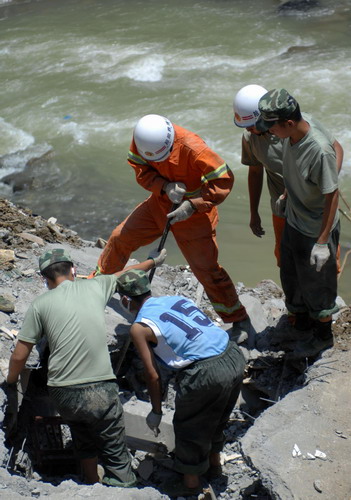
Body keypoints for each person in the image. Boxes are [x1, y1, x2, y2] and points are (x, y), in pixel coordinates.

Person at [4, 246, 166, 487]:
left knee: (82, 435)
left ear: (45, 279)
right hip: (101, 387)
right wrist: (153, 261)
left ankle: (90, 481)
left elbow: (19, 355)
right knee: (112, 441)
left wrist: (10, 383)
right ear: (73, 270)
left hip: (63, 391)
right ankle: (122, 483)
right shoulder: (95, 286)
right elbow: (126, 273)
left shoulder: (40, 304)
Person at [91, 114, 250, 340]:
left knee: (207, 270)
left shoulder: (193, 148)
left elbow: (223, 181)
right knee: (120, 237)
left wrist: (193, 205)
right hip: (159, 204)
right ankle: (97, 286)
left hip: (194, 216)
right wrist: (163, 186)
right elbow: (140, 170)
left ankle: (238, 320)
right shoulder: (143, 142)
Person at [115, 269, 246, 498]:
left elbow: (152, 374)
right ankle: (214, 466)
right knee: (217, 418)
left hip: (206, 372)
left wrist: (155, 411)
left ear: (125, 300)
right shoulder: (175, 298)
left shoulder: (139, 327)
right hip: (233, 355)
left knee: (189, 428)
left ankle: (190, 484)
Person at [257, 88, 340, 357]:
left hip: (315, 229)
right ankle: (300, 324)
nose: (269, 133)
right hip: (293, 218)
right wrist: (288, 191)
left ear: (289, 123)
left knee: (318, 287)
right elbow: (339, 144)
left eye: (272, 128)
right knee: (291, 275)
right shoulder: (292, 132)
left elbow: (332, 194)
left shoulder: (318, 149)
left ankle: (322, 337)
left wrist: (323, 241)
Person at [233, 84, 343, 269]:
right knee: (287, 258)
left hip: (312, 209)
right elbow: (255, 171)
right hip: (283, 209)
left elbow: (336, 148)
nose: (249, 130)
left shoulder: (295, 127)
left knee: (323, 263)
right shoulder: (250, 138)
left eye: (251, 126)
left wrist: (327, 178)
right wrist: (254, 213)